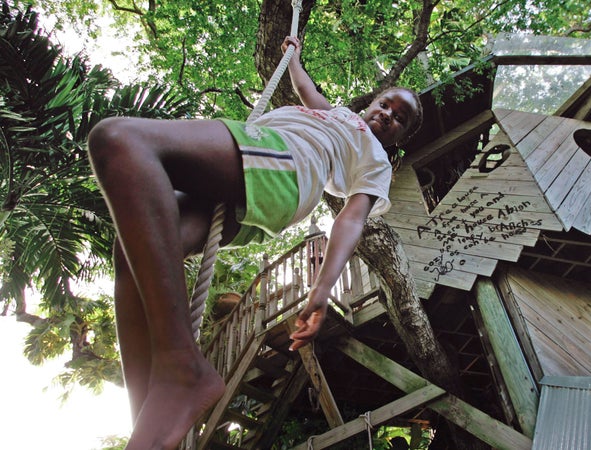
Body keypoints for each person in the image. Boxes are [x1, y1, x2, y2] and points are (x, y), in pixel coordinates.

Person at [87, 35, 422, 450]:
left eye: (400, 118)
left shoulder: (376, 158)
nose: (388, 114)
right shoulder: (338, 114)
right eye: (386, 103)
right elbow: (305, 88)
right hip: (259, 179)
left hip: (287, 166)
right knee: (131, 250)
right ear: (371, 103)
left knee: (119, 140)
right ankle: (150, 423)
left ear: (399, 137)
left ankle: (182, 370)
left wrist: (321, 290)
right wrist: (293, 55)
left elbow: (352, 217)